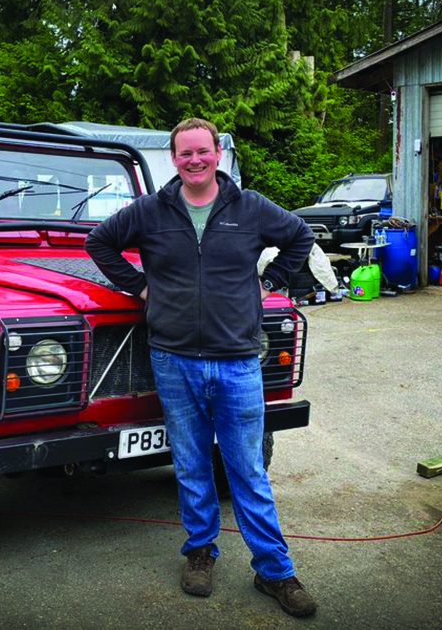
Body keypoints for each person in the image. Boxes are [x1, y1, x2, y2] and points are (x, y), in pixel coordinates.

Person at [85, 117, 317, 617]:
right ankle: (200, 551)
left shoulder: (250, 208)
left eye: (203, 152)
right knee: (190, 464)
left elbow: (300, 235)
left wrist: (270, 282)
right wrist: (140, 287)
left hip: (237, 362)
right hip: (173, 360)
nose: (195, 160)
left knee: (247, 470)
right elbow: (98, 243)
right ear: (173, 159)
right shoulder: (150, 210)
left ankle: (275, 572)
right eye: (185, 153)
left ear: (218, 155)